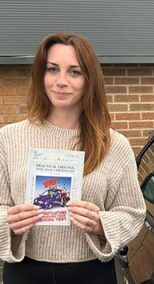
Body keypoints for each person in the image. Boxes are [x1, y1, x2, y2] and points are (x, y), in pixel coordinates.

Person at [0, 32, 146, 284]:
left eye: (74, 72)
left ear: (90, 79)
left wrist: (101, 223)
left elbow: (133, 213)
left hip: (92, 273)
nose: (61, 81)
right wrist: (8, 222)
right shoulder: (8, 138)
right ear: (40, 75)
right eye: (52, 69)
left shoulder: (114, 145)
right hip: (25, 272)